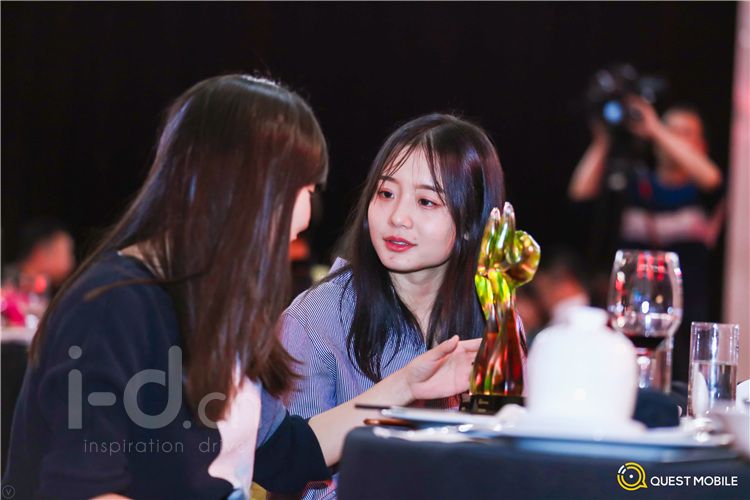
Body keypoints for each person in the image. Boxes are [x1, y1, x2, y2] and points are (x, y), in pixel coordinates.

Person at [2, 75, 479, 499]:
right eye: (303, 190)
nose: (305, 217)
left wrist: (406, 385)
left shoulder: (205, 307)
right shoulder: (114, 306)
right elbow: (80, 488)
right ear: (244, 188)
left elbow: (289, 454)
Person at [281, 113, 505, 498]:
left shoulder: (492, 319)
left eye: (426, 201)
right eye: (385, 193)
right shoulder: (316, 318)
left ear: (471, 222)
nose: (398, 217)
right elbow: (292, 473)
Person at [568, 97, 724, 382]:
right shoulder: (635, 185)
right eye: (669, 129)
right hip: (632, 320)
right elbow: (580, 194)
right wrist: (604, 140)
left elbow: (713, 179)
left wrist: (656, 128)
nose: (672, 138)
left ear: (702, 146)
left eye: (684, 132)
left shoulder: (701, 193)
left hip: (685, 323)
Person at [1, 218, 75, 328]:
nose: (71, 261)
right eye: (67, 252)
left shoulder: (43, 290)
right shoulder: (6, 287)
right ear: (41, 253)